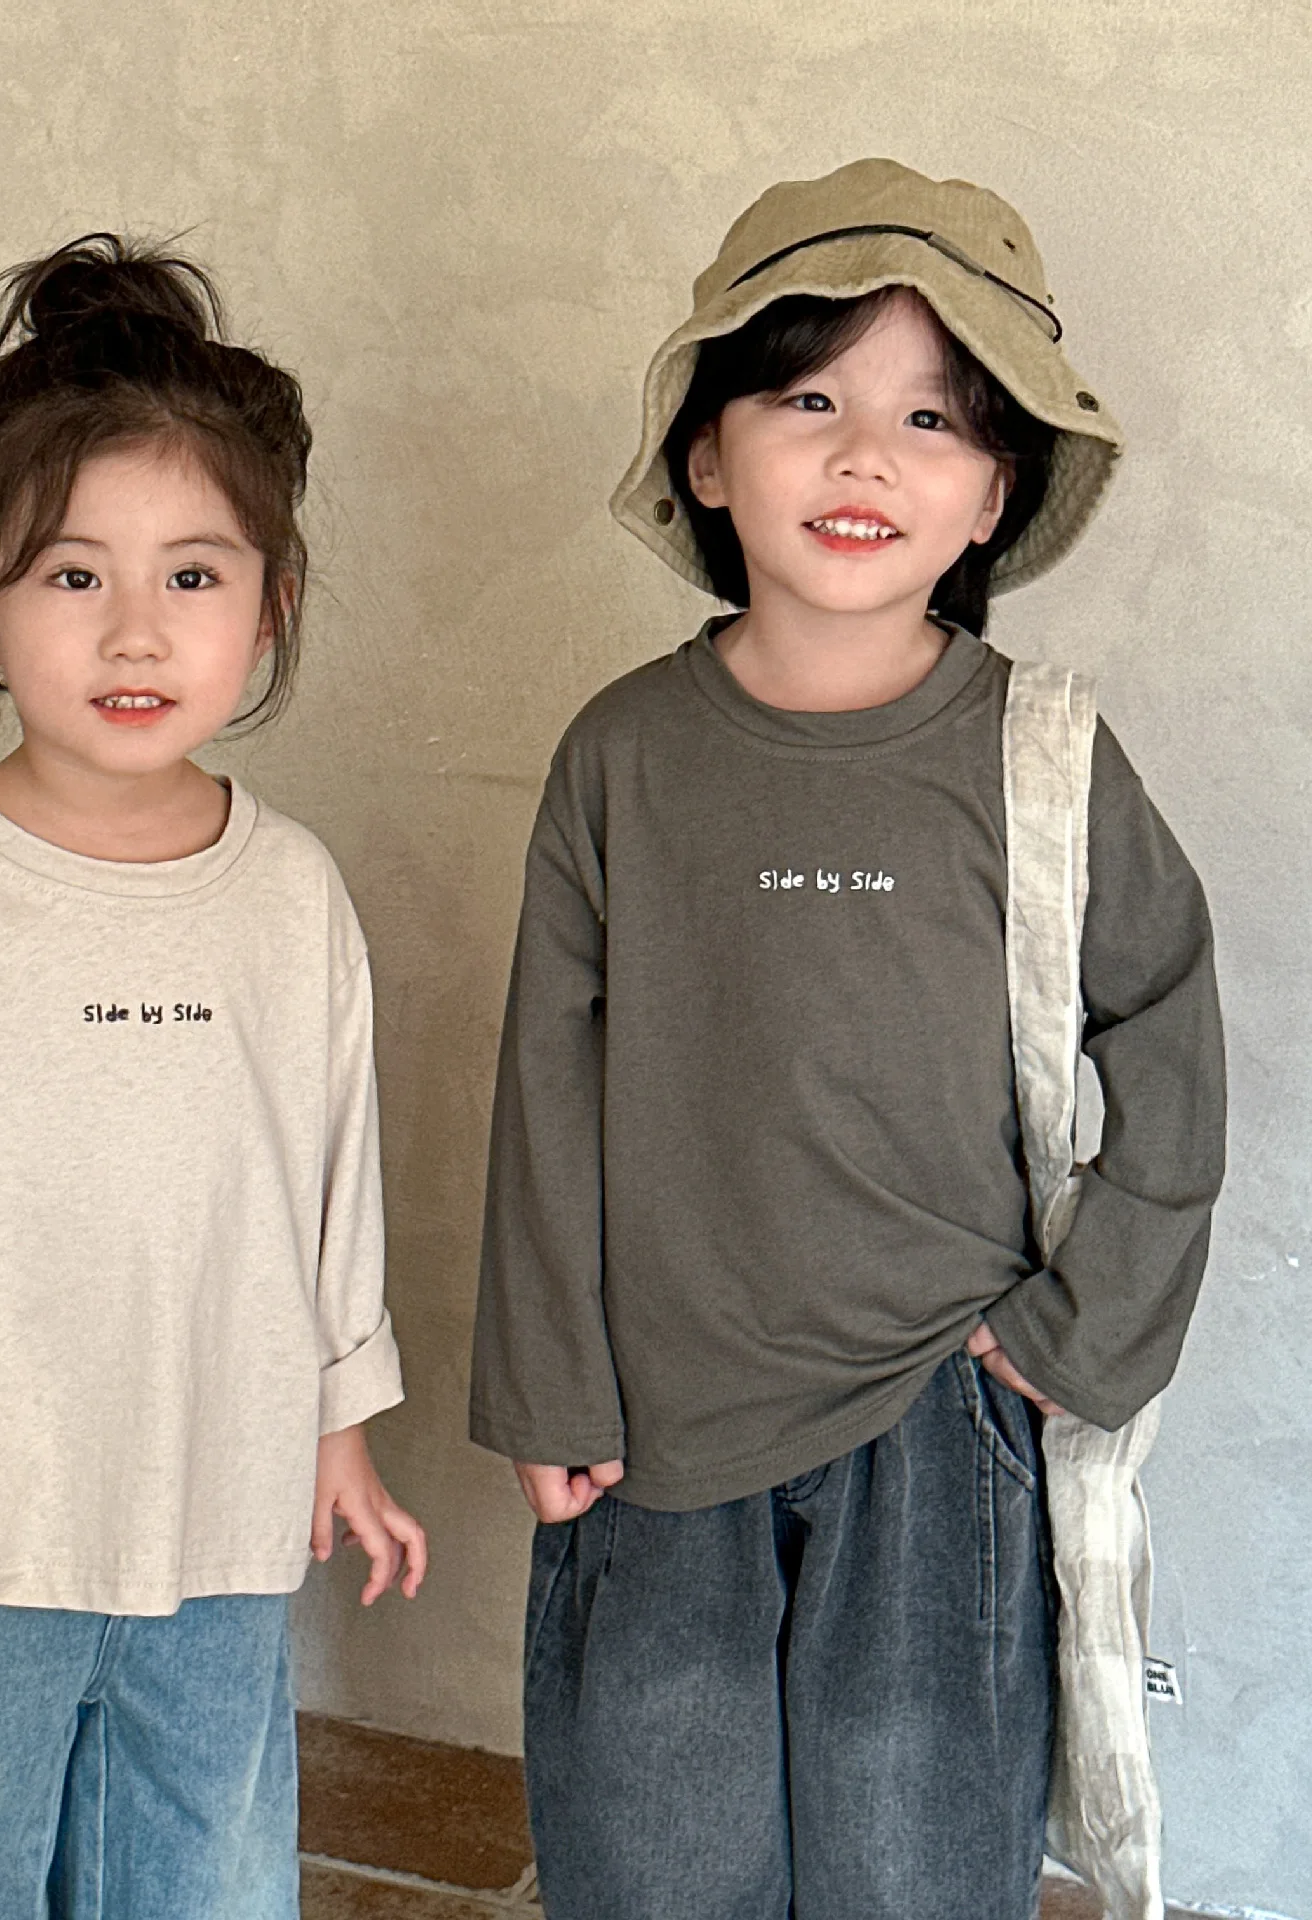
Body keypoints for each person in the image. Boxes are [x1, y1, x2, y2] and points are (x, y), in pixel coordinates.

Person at [469, 159, 1224, 1919]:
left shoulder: (1043, 759)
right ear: (707, 456)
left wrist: (1087, 1327)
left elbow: (1168, 1015)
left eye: (931, 418)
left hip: (942, 1410)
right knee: (655, 1849)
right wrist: (546, 1377)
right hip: (657, 1419)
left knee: (914, 1862)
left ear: (994, 495)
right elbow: (547, 1081)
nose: (865, 456)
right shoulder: (624, 756)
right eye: (809, 399)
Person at [0, 234, 425, 1920]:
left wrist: (340, 1430)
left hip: (217, 1533)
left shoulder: (291, 896)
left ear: (271, 603)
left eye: (194, 576)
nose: (137, 631)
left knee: (202, 1882)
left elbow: (329, 1182)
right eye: (72, 576)